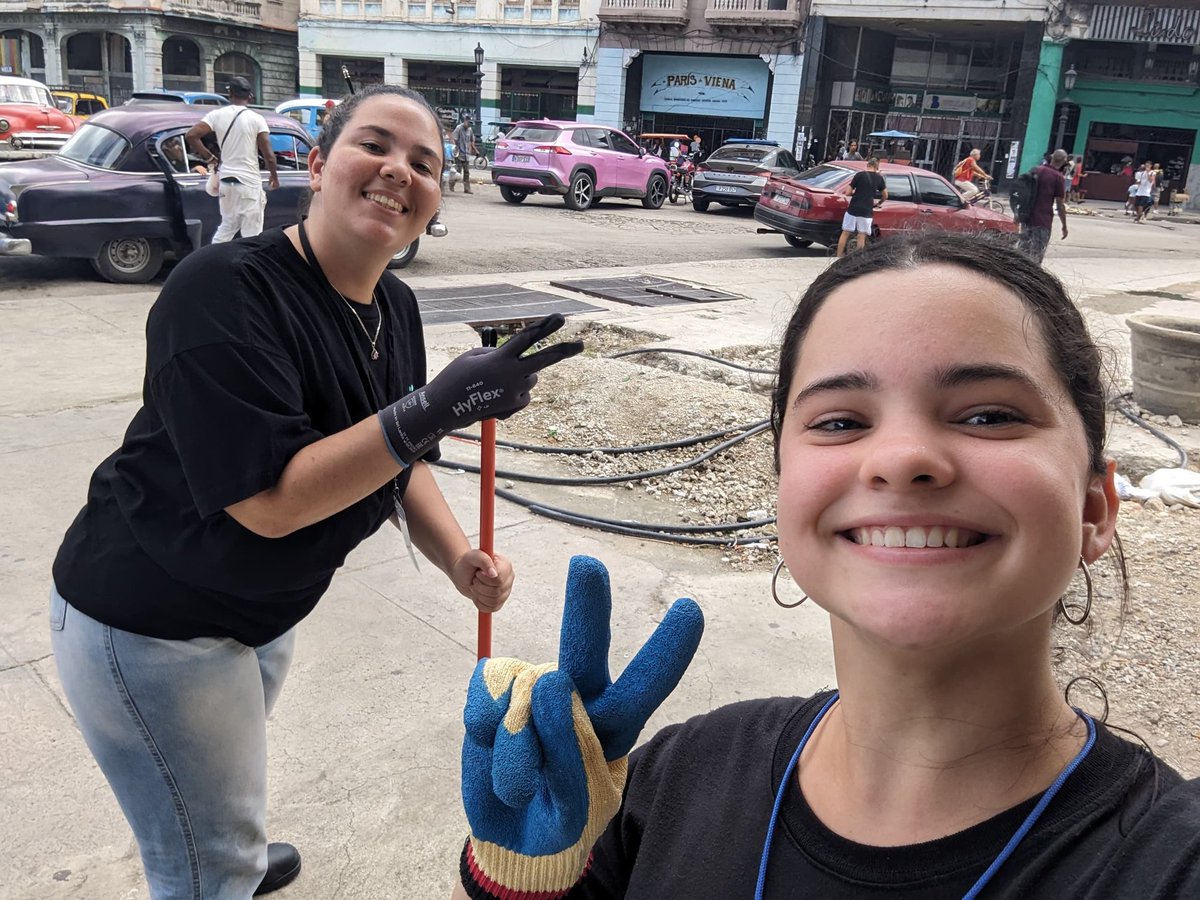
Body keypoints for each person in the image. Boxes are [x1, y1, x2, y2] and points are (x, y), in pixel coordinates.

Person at [454, 232, 1200, 899]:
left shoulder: (1167, 862)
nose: (902, 459)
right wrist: (519, 884)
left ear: (1095, 508)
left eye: (988, 415)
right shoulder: (676, 777)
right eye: (840, 422)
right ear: (786, 498)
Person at [50, 84, 582, 898]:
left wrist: (457, 557)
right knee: (202, 867)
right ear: (320, 161)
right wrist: (435, 405)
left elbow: (395, 461)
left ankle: (230, 839)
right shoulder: (221, 289)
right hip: (154, 623)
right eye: (375, 146)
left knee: (223, 800)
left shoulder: (394, 306)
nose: (398, 170)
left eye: (423, 162)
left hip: (257, 615)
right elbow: (273, 501)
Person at [186, 76, 280, 243]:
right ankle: (247, 267)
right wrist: (274, 176)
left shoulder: (216, 115)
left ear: (230, 95)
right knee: (252, 235)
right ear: (250, 97)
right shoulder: (256, 119)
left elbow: (191, 135)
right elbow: (269, 156)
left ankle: (214, 261)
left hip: (226, 182)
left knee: (227, 226)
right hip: (248, 183)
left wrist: (209, 158)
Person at [1016, 148, 1068, 263]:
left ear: (1051, 157)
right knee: (1036, 255)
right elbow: (1060, 205)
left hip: (1027, 218)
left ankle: (1015, 277)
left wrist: (1017, 213)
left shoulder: (1035, 170)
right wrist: (1064, 225)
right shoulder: (1058, 177)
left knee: (1022, 253)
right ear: (1064, 161)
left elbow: (1022, 192)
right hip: (1042, 221)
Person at [835, 156, 887, 258]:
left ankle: (838, 256)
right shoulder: (879, 178)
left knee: (845, 233)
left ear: (868, 165)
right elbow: (885, 195)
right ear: (877, 167)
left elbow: (847, 192)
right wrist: (879, 202)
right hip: (866, 210)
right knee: (861, 235)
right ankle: (857, 259)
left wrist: (856, 192)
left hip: (853, 208)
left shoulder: (859, 175)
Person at [452, 115, 478, 194]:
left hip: (466, 154)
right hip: (459, 154)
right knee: (458, 172)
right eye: (468, 122)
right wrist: (456, 150)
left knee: (466, 172)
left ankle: (467, 188)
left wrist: (475, 150)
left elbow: (471, 140)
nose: (469, 125)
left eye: (470, 123)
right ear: (465, 121)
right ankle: (451, 185)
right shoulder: (459, 128)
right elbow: (454, 139)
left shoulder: (470, 130)